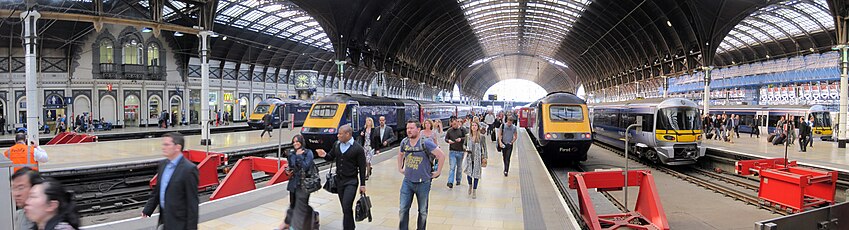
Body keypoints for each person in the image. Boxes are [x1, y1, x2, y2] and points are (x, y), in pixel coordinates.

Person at [142, 132, 199, 230]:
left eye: (167, 144)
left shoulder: (189, 169)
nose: (163, 147)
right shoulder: (163, 165)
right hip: (165, 220)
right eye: (163, 144)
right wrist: (148, 209)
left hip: (180, 224)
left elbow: (192, 204)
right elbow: (158, 191)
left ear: (177, 147)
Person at [316, 125, 367, 230]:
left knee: (347, 205)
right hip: (339, 181)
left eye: (340, 133)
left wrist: (362, 184)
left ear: (347, 134)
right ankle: (351, 226)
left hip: (351, 181)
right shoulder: (336, 145)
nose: (338, 135)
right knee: (345, 208)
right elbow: (330, 157)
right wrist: (324, 154)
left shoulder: (358, 149)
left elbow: (362, 168)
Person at [397, 119, 446, 230]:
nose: (408, 130)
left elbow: (441, 155)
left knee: (423, 211)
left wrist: (437, 172)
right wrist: (400, 168)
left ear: (418, 129)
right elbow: (400, 154)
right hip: (407, 182)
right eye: (407, 128)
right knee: (403, 209)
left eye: (411, 128)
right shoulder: (404, 142)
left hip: (423, 182)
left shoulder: (426, 142)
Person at [279, 135, 315, 230]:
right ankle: (291, 225)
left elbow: (306, 166)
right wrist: (287, 171)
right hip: (293, 183)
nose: (295, 143)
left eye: (297, 141)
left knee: (302, 206)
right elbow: (291, 167)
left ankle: (304, 224)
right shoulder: (291, 154)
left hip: (304, 184)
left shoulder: (308, 153)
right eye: (293, 142)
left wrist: (299, 156)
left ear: (301, 142)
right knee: (292, 205)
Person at [463, 121, 488, 199]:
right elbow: (464, 144)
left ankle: (474, 190)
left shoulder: (481, 137)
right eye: (472, 125)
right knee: (469, 173)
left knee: (476, 174)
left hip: (478, 158)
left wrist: (485, 157)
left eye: (475, 125)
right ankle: (470, 185)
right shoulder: (467, 136)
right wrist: (465, 148)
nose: (473, 127)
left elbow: (484, 147)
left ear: (478, 127)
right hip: (469, 158)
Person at [444, 117, 467, 188]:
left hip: (460, 151)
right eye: (452, 124)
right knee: (452, 167)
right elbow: (446, 139)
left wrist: (461, 139)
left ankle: (458, 180)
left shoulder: (462, 130)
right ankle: (450, 182)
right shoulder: (449, 130)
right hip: (452, 151)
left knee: (459, 168)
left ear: (457, 123)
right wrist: (448, 141)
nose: (453, 125)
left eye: (454, 124)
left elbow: (466, 138)